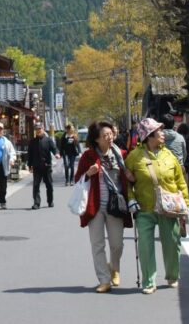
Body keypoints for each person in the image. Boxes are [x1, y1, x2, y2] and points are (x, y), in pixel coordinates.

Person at [125, 117, 189, 295]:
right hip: (144, 208)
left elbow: (180, 181)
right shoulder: (134, 157)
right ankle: (148, 281)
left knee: (171, 244)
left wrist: (186, 204)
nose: (162, 133)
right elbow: (127, 182)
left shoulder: (169, 155)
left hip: (169, 208)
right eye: (158, 131)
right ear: (149, 136)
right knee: (145, 246)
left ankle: (172, 275)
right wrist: (131, 199)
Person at [75, 121, 133, 293]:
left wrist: (131, 177)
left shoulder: (122, 154)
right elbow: (77, 178)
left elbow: (130, 178)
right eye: (105, 135)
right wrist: (88, 174)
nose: (110, 138)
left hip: (115, 205)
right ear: (97, 140)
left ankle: (114, 267)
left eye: (111, 134)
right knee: (97, 244)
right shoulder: (89, 157)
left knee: (117, 244)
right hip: (95, 206)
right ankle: (104, 279)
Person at [27, 124, 60, 208]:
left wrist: (56, 154)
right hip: (36, 166)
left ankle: (50, 201)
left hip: (47, 166)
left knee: (49, 184)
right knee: (36, 185)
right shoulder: (32, 142)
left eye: (40, 129)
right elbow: (30, 154)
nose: (38, 130)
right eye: (37, 129)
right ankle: (36, 203)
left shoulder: (48, 140)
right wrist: (29, 165)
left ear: (43, 129)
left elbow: (54, 148)